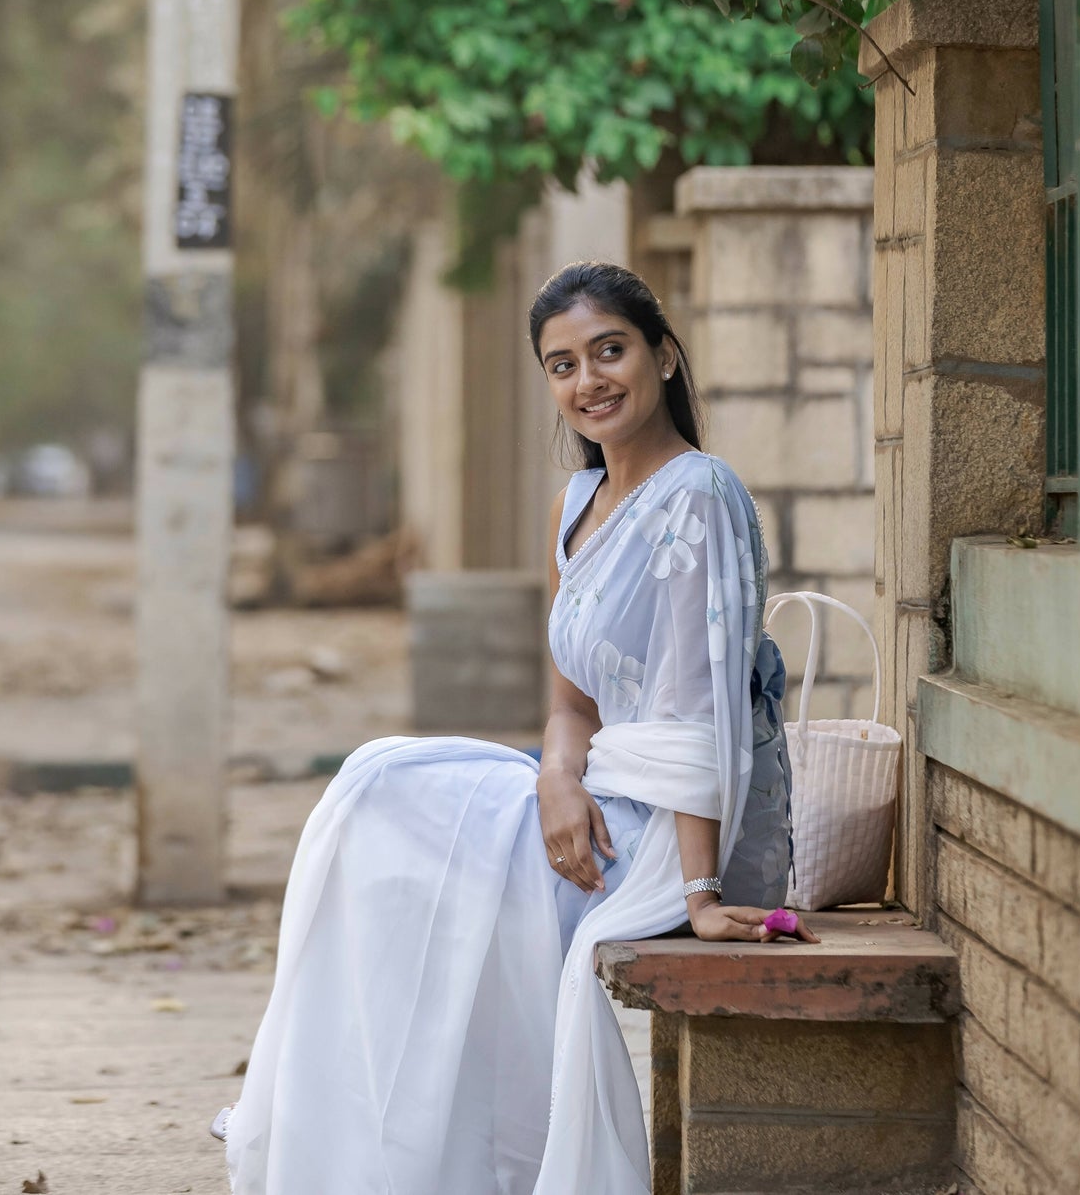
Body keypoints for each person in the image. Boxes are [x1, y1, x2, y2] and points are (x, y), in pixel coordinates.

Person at [220, 260, 816, 1195]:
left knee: (392, 812)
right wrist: (553, 779)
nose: (589, 381)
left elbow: (702, 716)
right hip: (600, 798)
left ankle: (436, 1159)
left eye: (609, 351)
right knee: (373, 801)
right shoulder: (575, 507)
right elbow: (571, 701)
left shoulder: (699, 494)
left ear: (662, 354)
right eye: (562, 364)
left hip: (680, 828)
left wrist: (700, 896)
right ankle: (383, 1154)